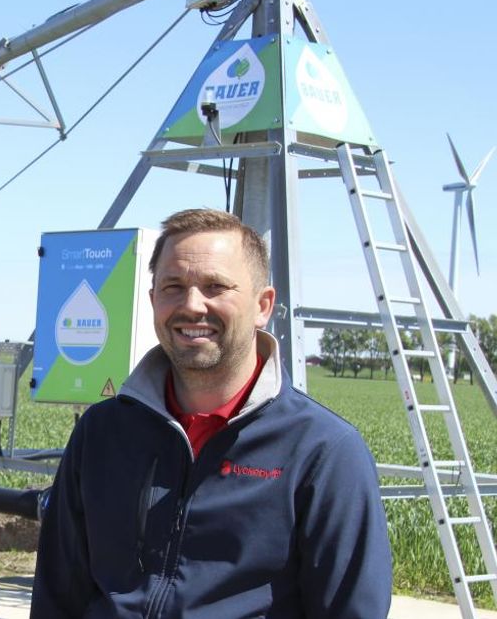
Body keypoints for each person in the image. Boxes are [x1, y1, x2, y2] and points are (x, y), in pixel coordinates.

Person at [31, 209, 392, 618]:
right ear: (153, 300)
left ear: (263, 305)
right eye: (173, 286)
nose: (191, 305)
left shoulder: (322, 451)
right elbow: (57, 596)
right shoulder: (102, 432)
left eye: (215, 286)